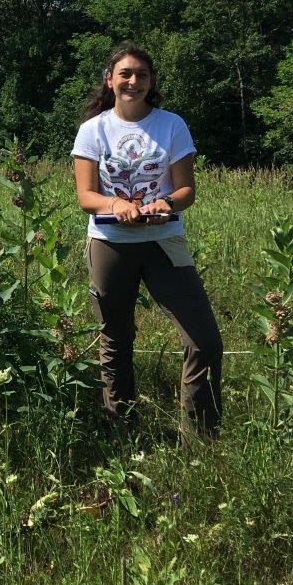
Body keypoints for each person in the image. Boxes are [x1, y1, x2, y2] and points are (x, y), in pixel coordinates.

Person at [71, 43, 223, 436]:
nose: (133, 81)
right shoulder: (93, 130)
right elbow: (86, 197)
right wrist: (114, 203)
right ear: (110, 80)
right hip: (110, 242)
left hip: (163, 240)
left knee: (203, 338)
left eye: (141, 74)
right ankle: (122, 427)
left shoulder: (172, 125)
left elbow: (186, 189)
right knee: (115, 338)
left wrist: (162, 204)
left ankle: (202, 434)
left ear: (151, 81)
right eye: (125, 74)